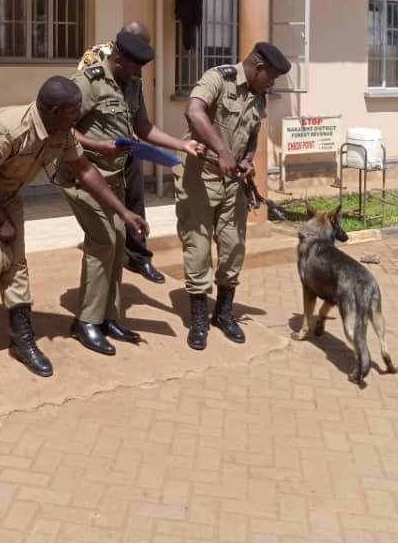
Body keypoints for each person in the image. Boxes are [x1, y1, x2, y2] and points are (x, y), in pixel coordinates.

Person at [0, 76, 148, 376]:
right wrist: (0, 220)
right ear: (53, 110)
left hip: (5, 191)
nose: (79, 114)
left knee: (16, 263)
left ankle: (21, 337)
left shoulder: (62, 132)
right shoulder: (11, 127)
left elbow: (85, 170)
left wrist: (124, 212)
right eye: (74, 110)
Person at [58, 30, 204, 356]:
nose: (139, 75)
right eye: (134, 68)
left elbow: (143, 128)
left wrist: (182, 145)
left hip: (114, 177)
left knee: (118, 241)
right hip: (82, 174)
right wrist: (99, 145)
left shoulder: (133, 83)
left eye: (142, 69)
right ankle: (86, 322)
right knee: (103, 241)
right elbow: (60, 126)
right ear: (117, 58)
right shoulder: (89, 81)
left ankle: (108, 317)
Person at [175, 41, 291, 351]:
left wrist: (247, 159)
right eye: (272, 76)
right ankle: (199, 318)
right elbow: (193, 111)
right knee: (198, 248)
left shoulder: (259, 95)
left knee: (233, 246)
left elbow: (252, 132)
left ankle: (223, 313)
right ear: (258, 67)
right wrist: (223, 151)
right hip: (199, 175)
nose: (273, 83)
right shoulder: (218, 78)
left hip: (233, 182)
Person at [78, 20, 164, 283]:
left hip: (128, 145)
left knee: (135, 200)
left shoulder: (134, 66)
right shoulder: (96, 61)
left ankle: (139, 257)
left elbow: (138, 112)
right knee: (102, 213)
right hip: (99, 154)